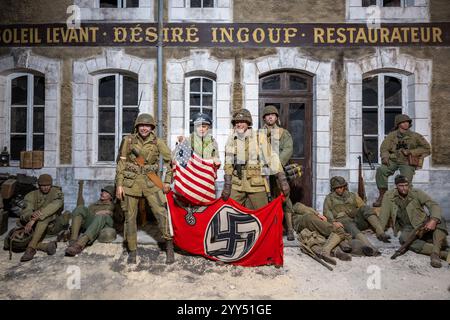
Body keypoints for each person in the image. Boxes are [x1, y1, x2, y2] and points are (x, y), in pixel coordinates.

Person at [115, 113, 174, 264]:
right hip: (130, 182)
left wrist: (167, 181)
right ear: (137, 127)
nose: (144, 128)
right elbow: (121, 164)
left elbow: (171, 162)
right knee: (130, 217)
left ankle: (169, 247)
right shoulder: (127, 141)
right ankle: (132, 251)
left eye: (147, 125)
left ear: (152, 127)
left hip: (151, 180)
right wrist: (119, 184)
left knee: (161, 213)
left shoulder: (157, 142)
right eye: (141, 125)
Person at [221, 108, 290, 210]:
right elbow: (228, 163)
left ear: (248, 123)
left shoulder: (259, 137)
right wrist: (227, 184)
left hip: (256, 184)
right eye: (236, 122)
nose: (239, 124)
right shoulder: (232, 139)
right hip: (237, 184)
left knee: (262, 214)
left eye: (242, 122)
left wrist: (283, 181)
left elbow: (272, 159)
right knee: (228, 210)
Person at [379, 175, 449, 268]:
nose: (404, 188)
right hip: (408, 227)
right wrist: (380, 231)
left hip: (423, 222)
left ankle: (435, 254)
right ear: (396, 186)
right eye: (401, 186)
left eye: (406, 185)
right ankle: (443, 253)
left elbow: (433, 205)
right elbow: (384, 215)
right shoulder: (389, 195)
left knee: (440, 219)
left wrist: (433, 220)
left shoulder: (417, 193)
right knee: (404, 239)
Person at [373, 114, 431, 207]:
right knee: (381, 170)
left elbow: (427, 149)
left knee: (405, 180)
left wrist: (411, 152)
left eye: (407, 122)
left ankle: (407, 200)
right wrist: (385, 157)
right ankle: (382, 196)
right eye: (403, 122)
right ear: (398, 124)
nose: (406, 124)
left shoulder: (415, 136)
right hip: (393, 160)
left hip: (407, 161)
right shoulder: (392, 136)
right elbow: (384, 148)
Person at [323, 176, 391, 255]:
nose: (339, 189)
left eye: (341, 187)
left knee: (365, 208)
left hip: (356, 220)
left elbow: (362, 207)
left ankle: (380, 232)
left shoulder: (352, 195)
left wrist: (354, 212)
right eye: (337, 188)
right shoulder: (329, 198)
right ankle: (370, 247)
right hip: (344, 223)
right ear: (333, 188)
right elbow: (327, 212)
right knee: (348, 223)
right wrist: (333, 221)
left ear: (344, 186)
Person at [261, 105, 295, 241]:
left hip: (279, 170)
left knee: (284, 198)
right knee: (265, 199)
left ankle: (290, 228)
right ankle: (269, 228)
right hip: (264, 171)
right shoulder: (259, 134)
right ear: (264, 118)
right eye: (268, 115)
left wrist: (276, 164)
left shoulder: (283, 133)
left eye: (273, 115)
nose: (270, 117)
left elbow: (288, 149)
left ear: (276, 118)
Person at [18, 174, 63, 262]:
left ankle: (30, 249)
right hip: (36, 227)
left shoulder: (57, 193)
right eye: (43, 185)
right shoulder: (31, 195)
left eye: (48, 185)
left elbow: (53, 207)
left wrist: (34, 219)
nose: (45, 188)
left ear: (51, 185)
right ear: (38, 185)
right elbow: (25, 211)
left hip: (53, 225)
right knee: (17, 240)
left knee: (45, 217)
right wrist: (31, 216)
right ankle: (43, 246)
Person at [65, 185, 117, 256]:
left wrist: (109, 212)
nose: (102, 193)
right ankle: (73, 240)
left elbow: (119, 217)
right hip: (94, 224)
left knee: (101, 216)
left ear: (111, 196)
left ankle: (79, 244)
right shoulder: (94, 205)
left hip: (106, 224)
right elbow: (87, 216)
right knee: (80, 208)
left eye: (106, 193)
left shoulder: (114, 206)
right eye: (102, 192)